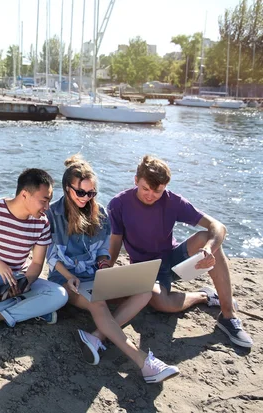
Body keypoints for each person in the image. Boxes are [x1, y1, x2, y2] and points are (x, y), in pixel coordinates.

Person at [46, 155, 179, 384]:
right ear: (67, 188)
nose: (86, 198)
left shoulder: (100, 214)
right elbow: (51, 256)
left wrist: (105, 266)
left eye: (91, 193)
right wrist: (69, 277)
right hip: (66, 280)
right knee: (97, 302)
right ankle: (143, 362)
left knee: (145, 290)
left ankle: (97, 336)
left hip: (96, 278)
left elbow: (103, 252)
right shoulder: (52, 215)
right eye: (81, 192)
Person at [108, 155, 253, 348]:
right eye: (145, 189)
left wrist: (208, 248)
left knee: (205, 237)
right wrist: (106, 270)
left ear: (165, 187)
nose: (151, 195)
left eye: (158, 191)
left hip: (174, 260)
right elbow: (116, 242)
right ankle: (204, 296)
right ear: (136, 180)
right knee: (162, 303)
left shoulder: (172, 201)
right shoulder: (118, 204)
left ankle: (228, 316)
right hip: (147, 271)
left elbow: (218, 226)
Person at [0, 168, 68, 338]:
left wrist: (25, 283)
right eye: (44, 200)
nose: (47, 208)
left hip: (19, 277)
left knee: (60, 295)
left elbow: (38, 263)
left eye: (49, 201)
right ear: (25, 194)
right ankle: (32, 309)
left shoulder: (42, 223)